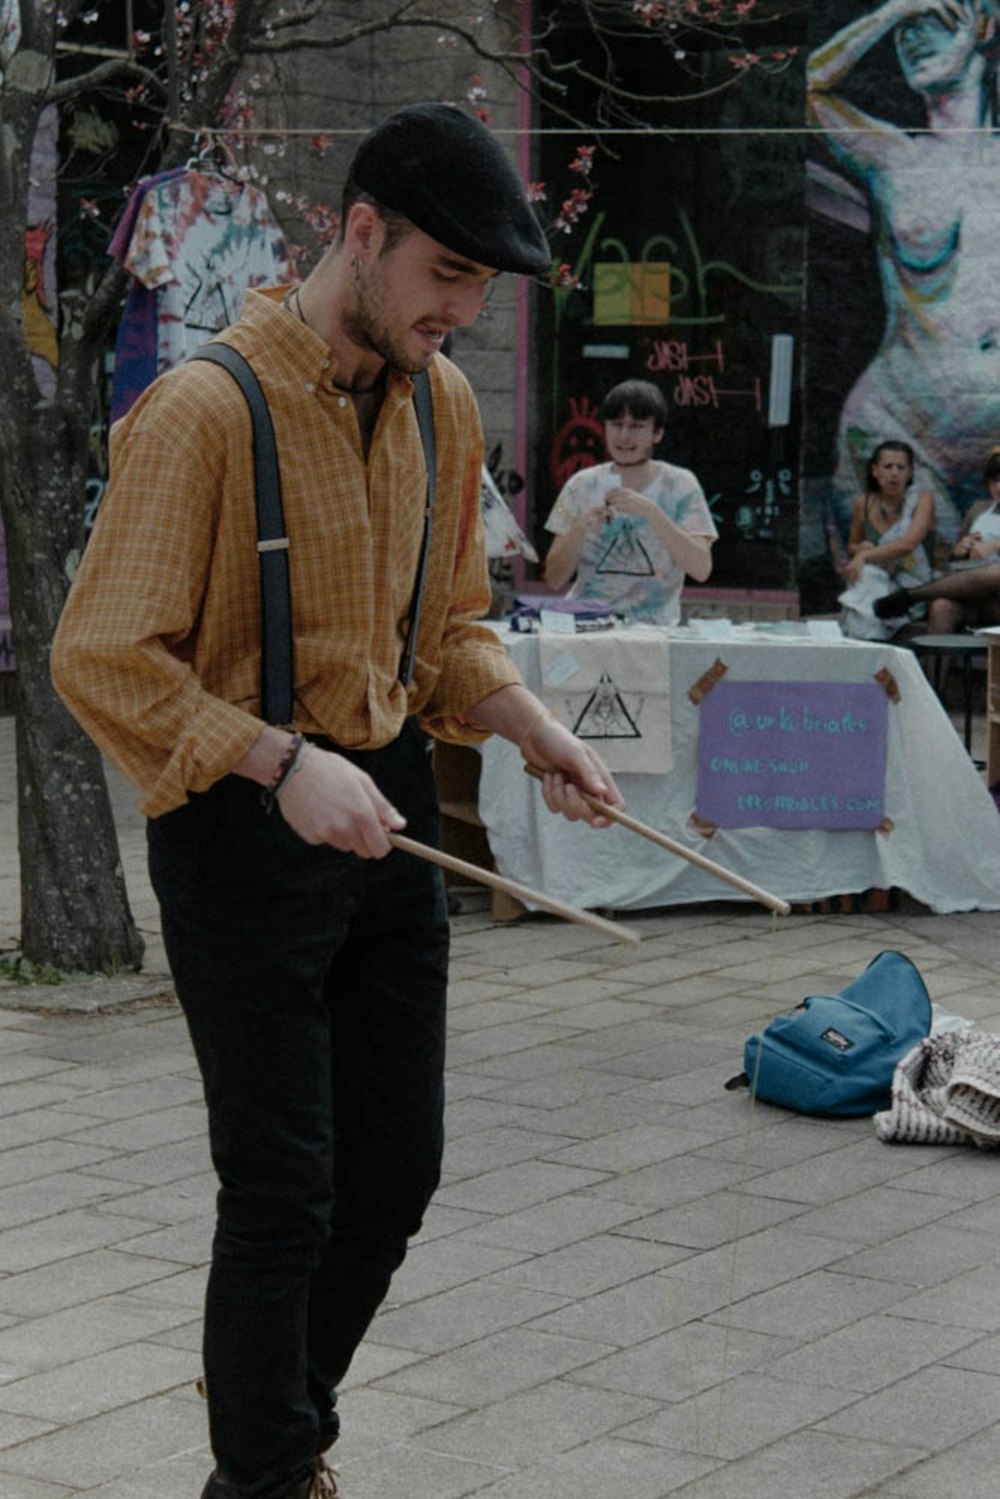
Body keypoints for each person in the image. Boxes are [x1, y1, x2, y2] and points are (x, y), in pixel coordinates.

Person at [51, 102, 624, 1499]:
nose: (464, 311)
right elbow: (98, 657)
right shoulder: (201, 412)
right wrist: (274, 759)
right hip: (241, 831)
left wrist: (533, 725)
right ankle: (268, 1465)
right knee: (285, 1191)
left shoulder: (446, 403)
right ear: (360, 231)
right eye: (446, 275)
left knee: (396, 1173)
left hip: (390, 807)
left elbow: (447, 632)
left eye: (484, 287)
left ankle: (271, 1409)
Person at [808, 0, 1000, 535]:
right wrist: (891, 12)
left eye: (934, 22)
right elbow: (809, 88)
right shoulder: (892, 157)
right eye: (903, 32)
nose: (913, 40)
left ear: (983, 27)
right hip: (899, 430)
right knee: (913, 605)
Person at [542, 378, 716, 624]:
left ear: (657, 433)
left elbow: (701, 569)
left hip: (655, 630)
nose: (624, 436)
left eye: (636, 426)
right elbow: (554, 578)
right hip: (586, 625)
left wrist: (653, 513)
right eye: (615, 424)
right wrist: (579, 529)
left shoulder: (680, 485)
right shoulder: (581, 485)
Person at [875, 444, 1000, 627]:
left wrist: (995, 546)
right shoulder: (978, 510)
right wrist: (960, 550)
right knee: (942, 607)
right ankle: (934, 656)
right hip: (976, 599)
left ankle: (912, 595)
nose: (999, 486)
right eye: (995, 480)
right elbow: (955, 561)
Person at [838, 440, 935, 638]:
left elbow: (908, 544)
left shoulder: (921, 500)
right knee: (868, 577)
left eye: (901, 467)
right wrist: (860, 549)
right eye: (888, 466)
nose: (894, 473)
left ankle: (867, 642)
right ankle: (869, 640)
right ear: (875, 471)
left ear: (910, 473)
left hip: (911, 587)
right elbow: (852, 545)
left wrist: (865, 556)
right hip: (875, 581)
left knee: (867, 577)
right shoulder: (863, 503)